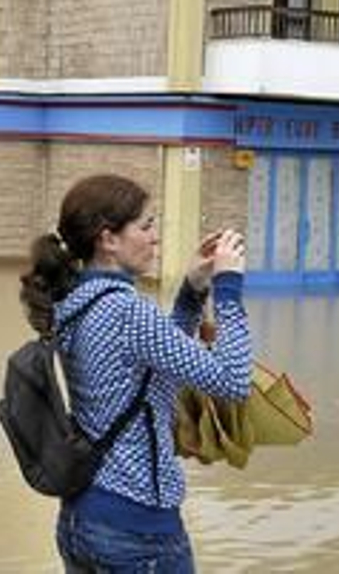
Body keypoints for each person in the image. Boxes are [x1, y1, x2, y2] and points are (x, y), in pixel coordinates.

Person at [20, 174, 251, 573]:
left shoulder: (75, 301)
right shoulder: (127, 310)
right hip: (138, 531)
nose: (155, 237)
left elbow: (158, 368)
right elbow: (233, 380)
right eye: (145, 226)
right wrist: (229, 285)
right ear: (108, 239)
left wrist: (193, 290)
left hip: (83, 519)